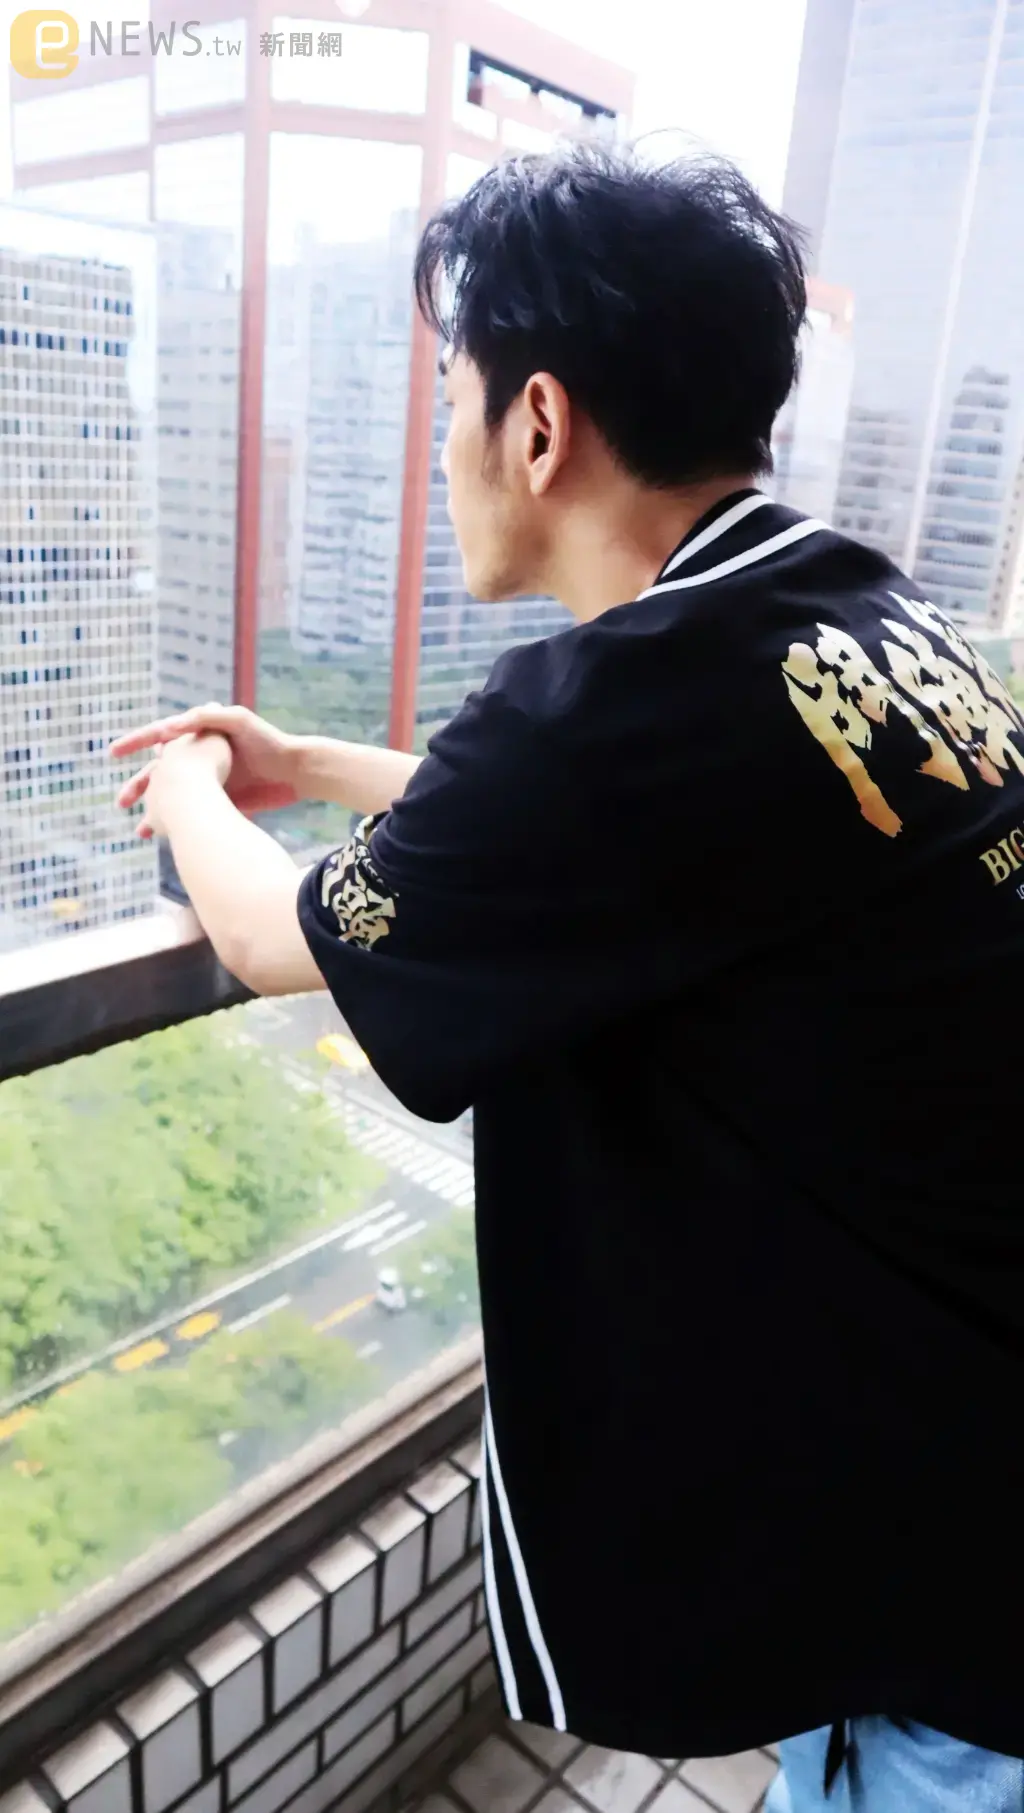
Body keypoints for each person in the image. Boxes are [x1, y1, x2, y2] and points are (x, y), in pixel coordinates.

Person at [112, 144, 1024, 1811]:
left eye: (449, 401)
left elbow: (269, 936)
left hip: (965, 1639)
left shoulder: (611, 711)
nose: (442, 449)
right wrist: (310, 760)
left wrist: (184, 783)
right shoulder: (854, 612)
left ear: (537, 423)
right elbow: (620, 858)